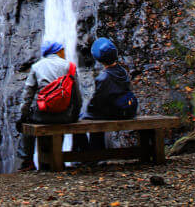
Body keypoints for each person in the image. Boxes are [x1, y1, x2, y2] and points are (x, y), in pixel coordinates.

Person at [16, 39, 82, 170]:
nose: (64, 52)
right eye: (62, 50)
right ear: (57, 51)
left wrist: (22, 116)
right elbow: (77, 98)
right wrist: (74, 116)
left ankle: (27, 161)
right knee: (62, 111)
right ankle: (71, 159)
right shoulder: (69, 66)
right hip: (64, 116)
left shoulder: (36, 67)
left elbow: (27, 96)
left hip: (42, 116)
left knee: (26, 122)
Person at [84, 36, 138, 150]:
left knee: (90, 118)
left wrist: (87, 112)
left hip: (114, 112)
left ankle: (91, 155)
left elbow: (97, 101)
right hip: (126, 110)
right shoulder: (122, 71)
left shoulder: (103, 78)